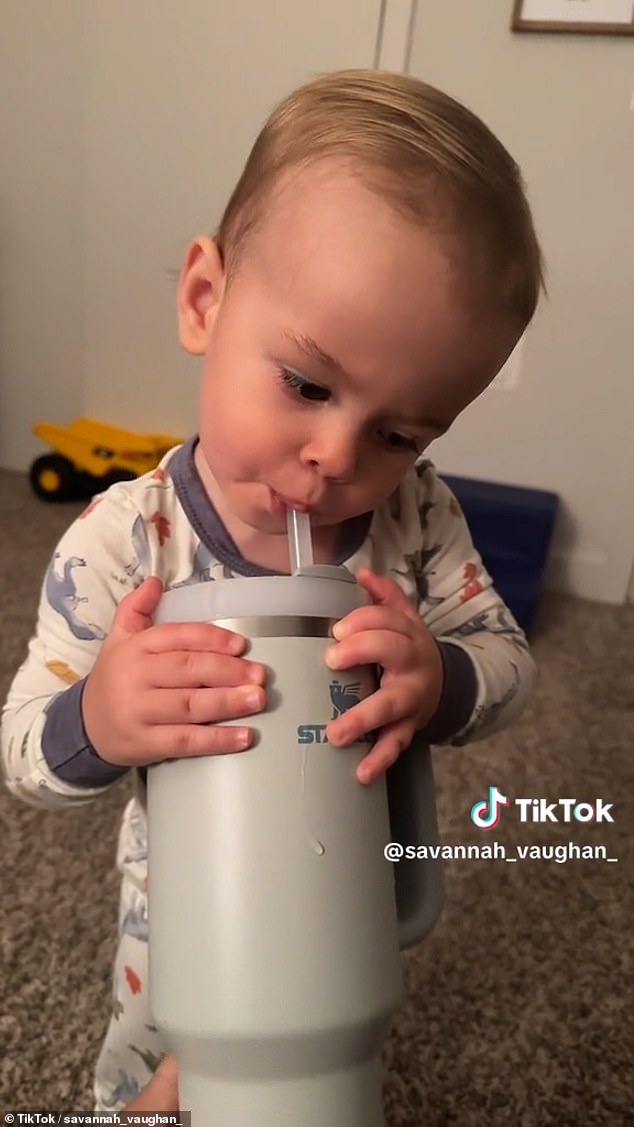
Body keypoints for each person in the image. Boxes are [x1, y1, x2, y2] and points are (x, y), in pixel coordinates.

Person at [1, 69, 543, 1109]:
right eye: (305, 383)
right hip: (177, 936)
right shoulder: (125, 539)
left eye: (398, 432)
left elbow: (511, 662)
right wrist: (103, 716)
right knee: (153, 1078)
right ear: (205, 301)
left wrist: (441, 682)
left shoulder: (416, 519)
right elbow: (22, 747)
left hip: (338, 920)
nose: (334, 457)